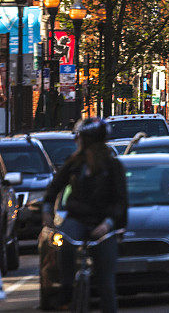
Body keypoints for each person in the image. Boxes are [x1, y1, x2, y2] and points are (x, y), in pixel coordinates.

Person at [42, 117, 128, 313]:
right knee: (65, 242)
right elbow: (54, 188)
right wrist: (47, 210)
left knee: (106, 283)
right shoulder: (74, 164)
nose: (77, 141)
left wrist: (108, 224)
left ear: (90, 141)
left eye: (80, 138)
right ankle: (66, 288)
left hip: (103, 222)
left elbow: (121, 201)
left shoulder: (112, 166)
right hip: (78, 219)